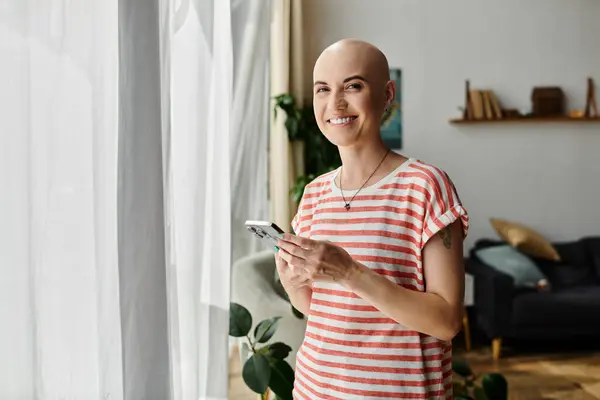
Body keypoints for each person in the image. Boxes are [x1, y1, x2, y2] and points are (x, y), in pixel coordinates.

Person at [275, 38, 469, 400]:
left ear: (387, 94)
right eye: (323, 89)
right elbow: (323, 312)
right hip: (314, 390)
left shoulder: (426, 186)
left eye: (353, 85)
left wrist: (351, 272)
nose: (336, 103)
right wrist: (292, 283)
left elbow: (446, 322)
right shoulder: (314, 194)